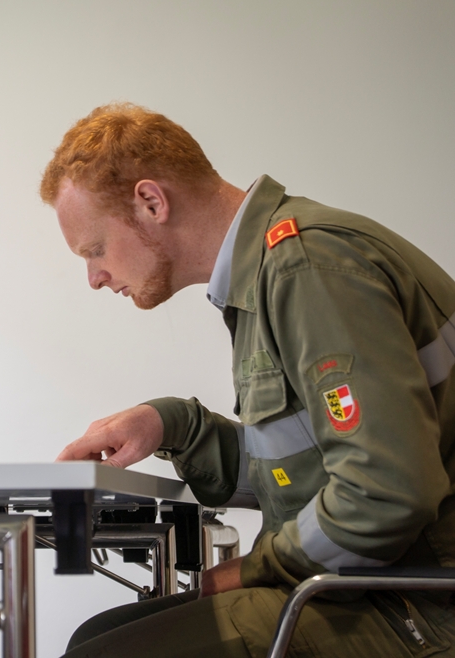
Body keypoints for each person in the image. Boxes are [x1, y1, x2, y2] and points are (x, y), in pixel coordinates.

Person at [40, 102, 455, 657]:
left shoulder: (306, 268)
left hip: (418, 603)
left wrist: (257, 567)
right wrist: (171, 425)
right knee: (92, 639)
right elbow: (298, 469)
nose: (94, 278)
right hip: (381, 584)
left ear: (151, 202)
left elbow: (385, 493)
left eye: (95, 250)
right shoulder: (266, 275)